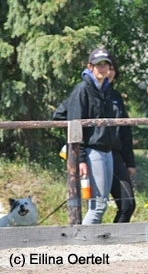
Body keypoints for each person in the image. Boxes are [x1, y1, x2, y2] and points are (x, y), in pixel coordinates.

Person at [54, 48, 116, 224]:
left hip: (107, 150)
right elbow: (74, 125)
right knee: (98, 205)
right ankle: (83, 243)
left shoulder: (106, 89)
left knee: (100, 203)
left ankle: (87, 240)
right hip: (91, 151)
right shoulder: (82, 89)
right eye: (98, 65)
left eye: (106, 64)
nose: (102, 68)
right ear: (90, 66)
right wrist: (80, 158)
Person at [107, 57, 136, 223]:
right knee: (97, 206)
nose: (109, 72)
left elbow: (125, 132)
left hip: (116, 155)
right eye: (104, 67)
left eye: (112, 69)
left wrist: (130, 162)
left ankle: (114, 239)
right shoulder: (84, 92)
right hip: (93, 155)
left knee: (128, 204)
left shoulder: (116, 96)